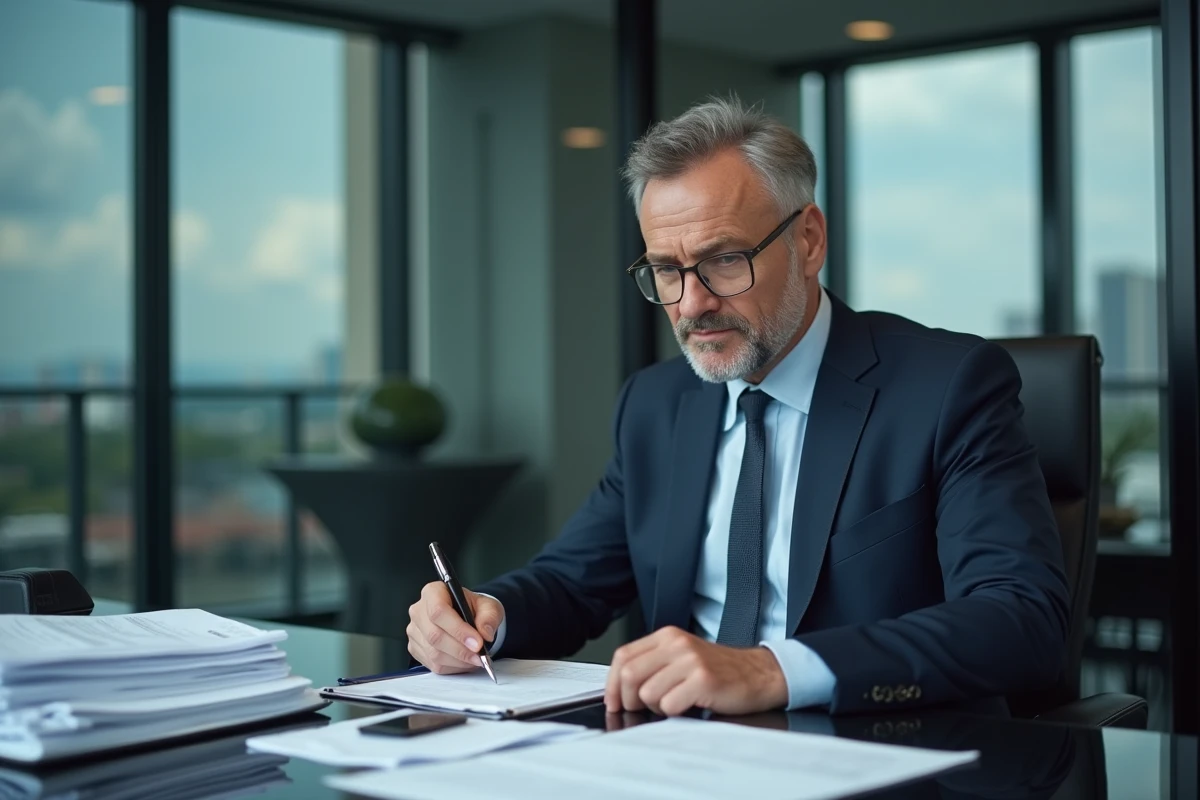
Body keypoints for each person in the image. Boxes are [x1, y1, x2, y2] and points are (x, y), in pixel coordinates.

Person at [406, 96, 1070, 718]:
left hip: (876, 755)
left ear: (808, 240)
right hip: (680, 758)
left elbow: (1021, 618)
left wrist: (772, 671)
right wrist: (487, 613)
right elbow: (574, 582)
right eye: (667, 269)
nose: (692, 303)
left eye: (725, 260)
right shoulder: (655, 404)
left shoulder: (948, 386)